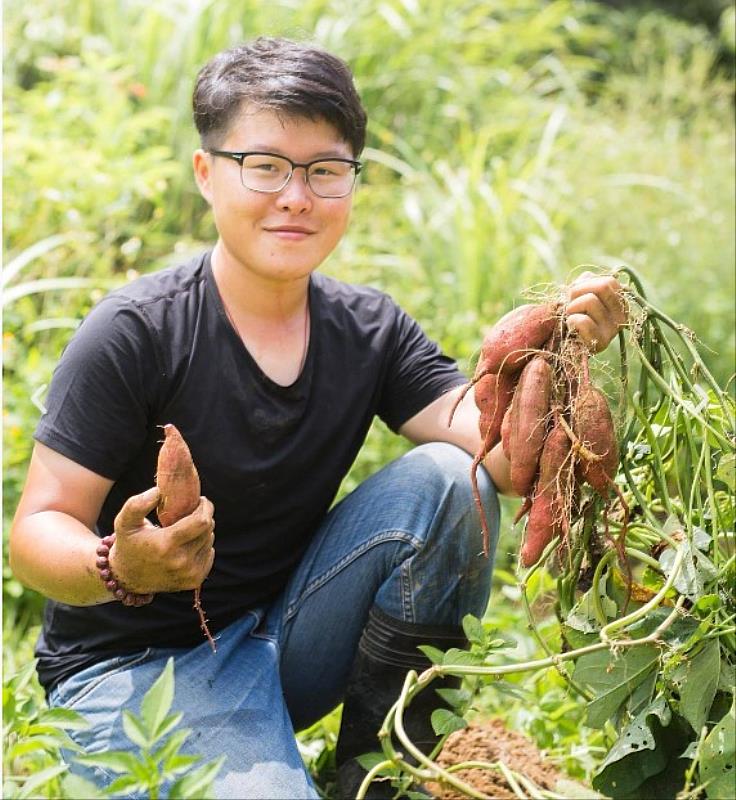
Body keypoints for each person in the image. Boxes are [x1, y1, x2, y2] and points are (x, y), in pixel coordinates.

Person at [9, 37, 626, 799]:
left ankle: (377, 775)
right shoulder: (138, 332)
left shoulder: (369, 329)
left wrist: (555, 351)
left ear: (352, 182)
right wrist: (118, 565)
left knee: (442, 480)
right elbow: (36, 531)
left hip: (280, 639)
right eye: (264, 167)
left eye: (325, 171)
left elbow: (495, 462)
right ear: (207, 173)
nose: (296, 197)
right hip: (132, 676)